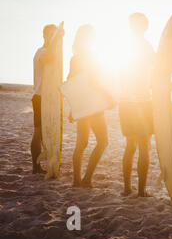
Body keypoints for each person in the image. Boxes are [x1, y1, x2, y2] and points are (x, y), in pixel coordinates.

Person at [69, 24, 110, 188]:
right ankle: (86, 179)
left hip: (81, 103)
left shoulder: (75, 58)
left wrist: (73, 107)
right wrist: (108, 96)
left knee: (81, 143)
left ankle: (76, 180)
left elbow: (71, 83)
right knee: (103, 141)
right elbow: (94, 82)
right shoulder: (92, 56)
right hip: (93, 103)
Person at [119, 13, 156, 197]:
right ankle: (141, 191)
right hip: (141, 102)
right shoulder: (147, 47)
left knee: (130, 146)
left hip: (125, 102)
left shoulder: (123, 46)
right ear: (145, 27)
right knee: (144, 146)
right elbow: (158, 69)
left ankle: (127, 188)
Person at [31, 24, 64, 174]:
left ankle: (49, 163)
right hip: (40, 97)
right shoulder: (42, 52)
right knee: (38, 132)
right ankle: (35, 167)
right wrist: (57, 39)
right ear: (44, 36)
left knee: (48, 133)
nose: (52, 38)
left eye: (53, 35)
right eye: (49, 35)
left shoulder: (48, 50)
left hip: (50, 98)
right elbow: (49, 58)